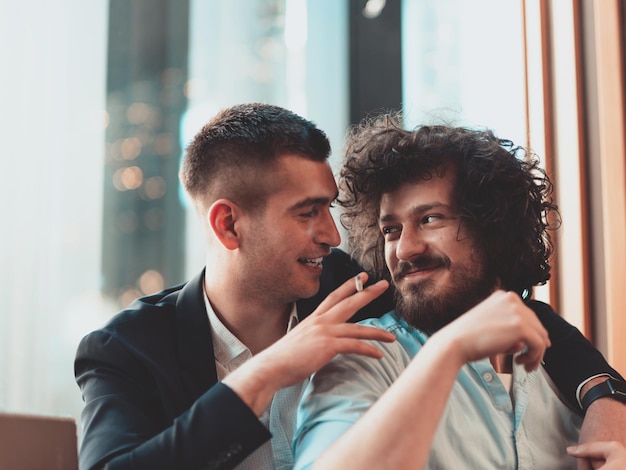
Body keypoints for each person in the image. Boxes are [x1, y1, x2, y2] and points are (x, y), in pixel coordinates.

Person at [75, 103, 620, 470]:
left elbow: (492, 296)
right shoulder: (125, 350)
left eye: (330, 210)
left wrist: (603, 393)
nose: (332, 235)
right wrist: (273, 367)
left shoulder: (345, 281)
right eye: (308, 213)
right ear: (228, 225)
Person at [292, 115, 626, 469]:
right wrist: (449, 349)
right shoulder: (362, 360)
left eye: (430, 219)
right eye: (391, 229)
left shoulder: (569, 376)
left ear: (492, 228)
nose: (404, 249)